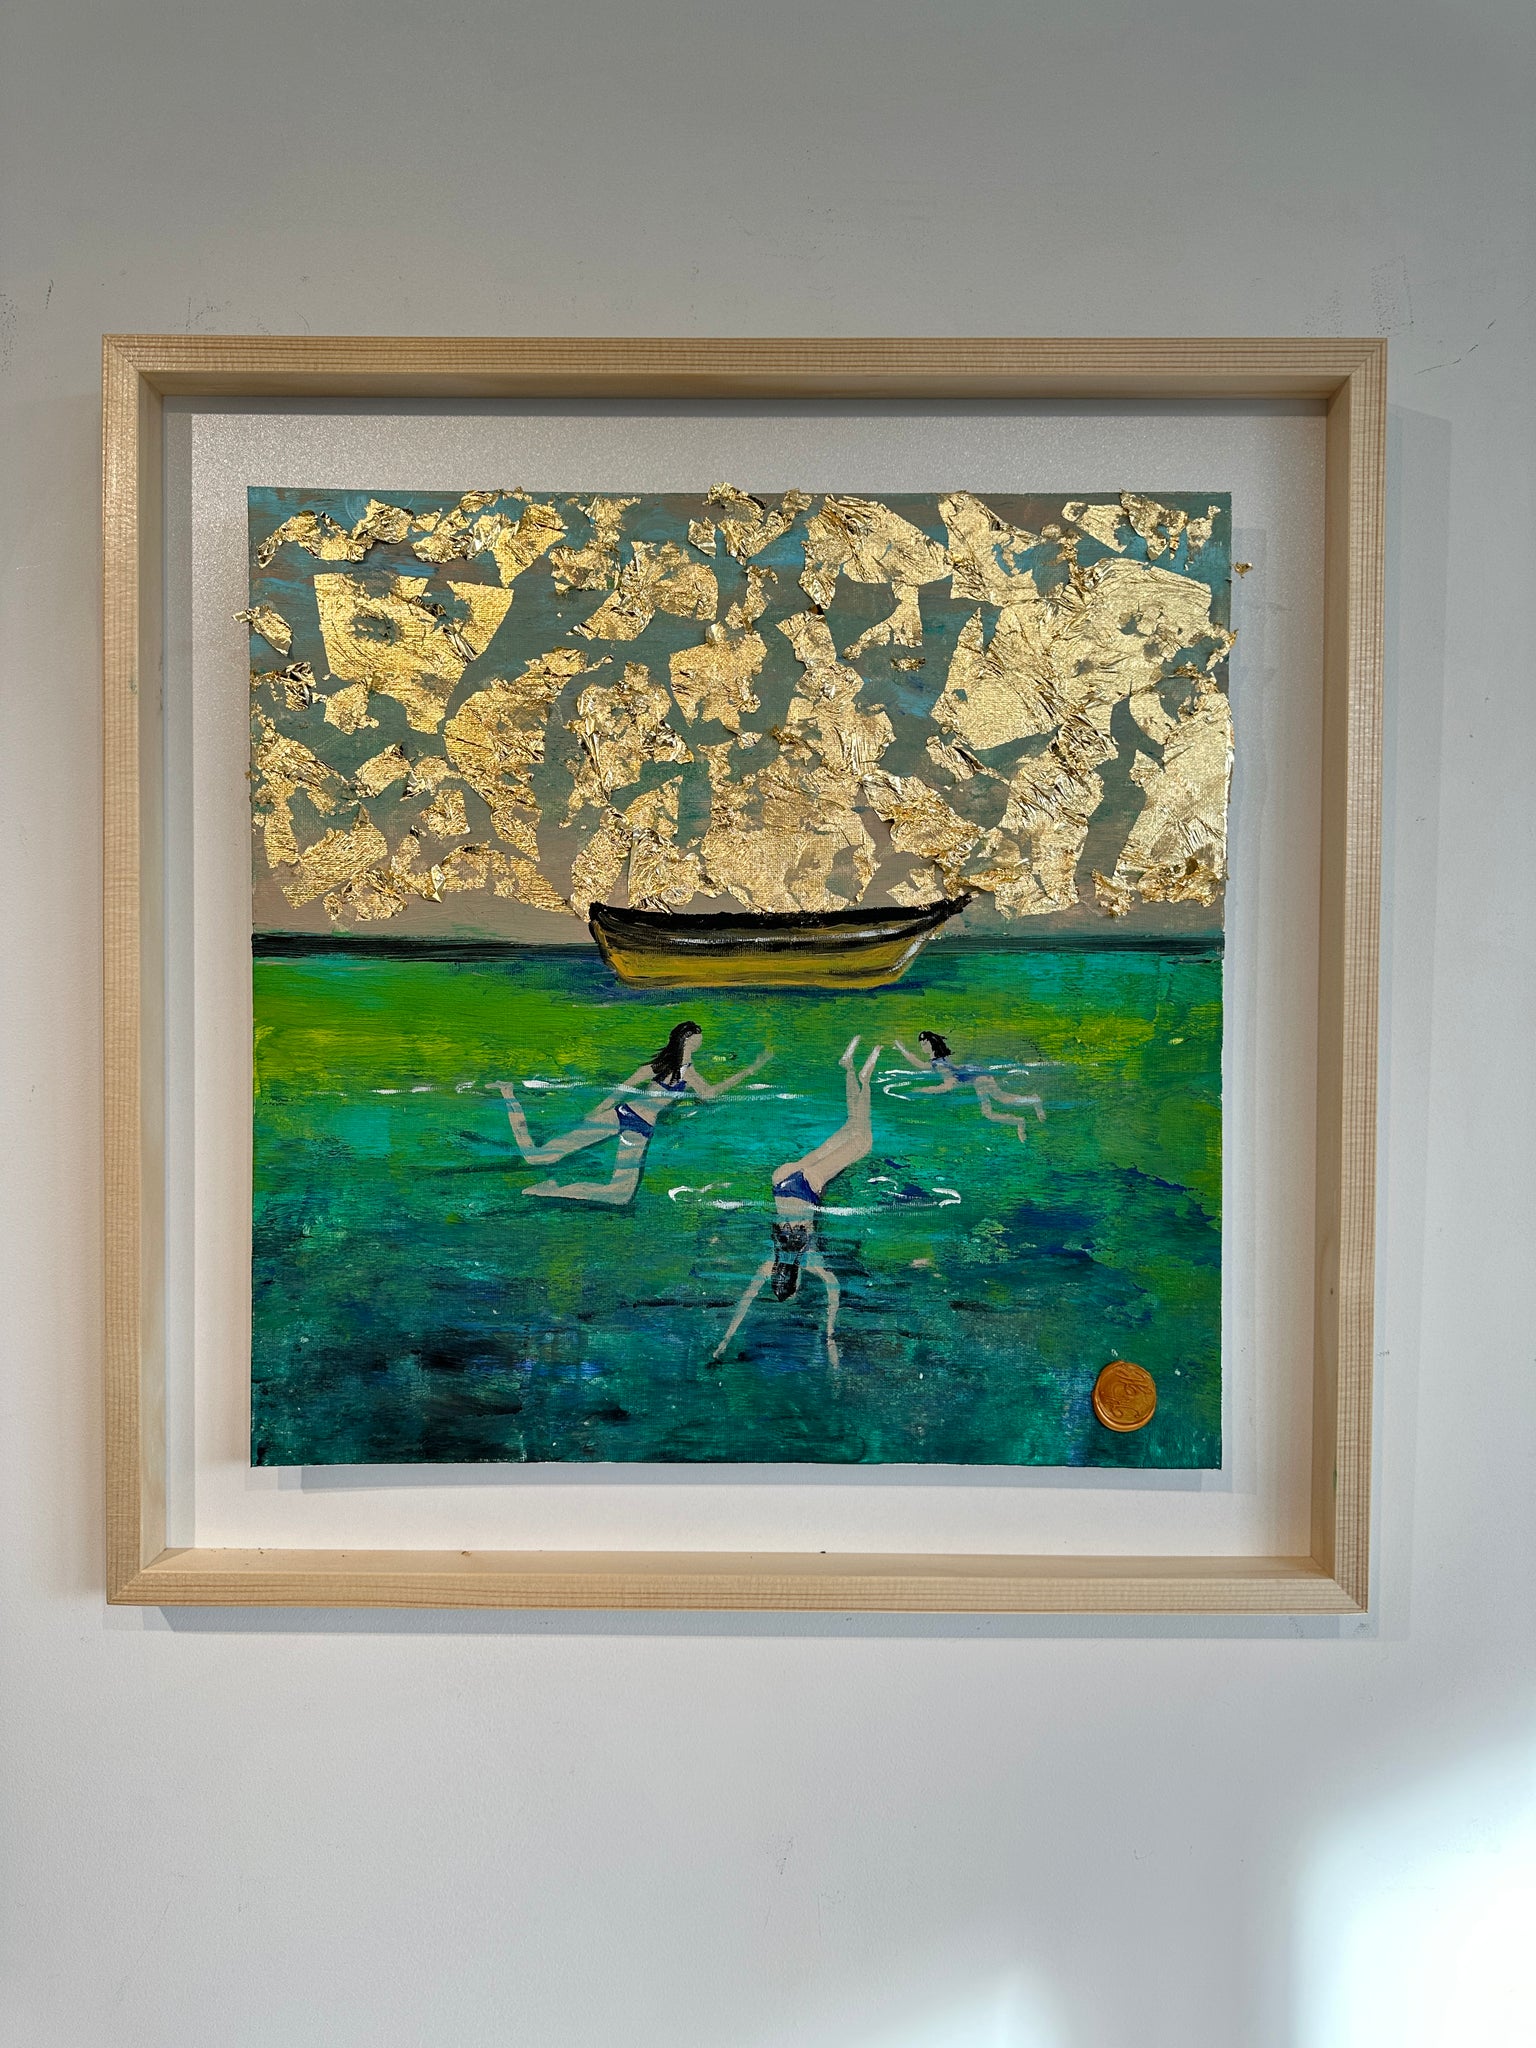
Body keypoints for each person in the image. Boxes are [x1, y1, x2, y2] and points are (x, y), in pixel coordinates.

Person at [711, 1035, 882, 1367]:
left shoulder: (810, 1262)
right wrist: (724, 1342)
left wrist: (830, 1336)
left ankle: (862, 1076)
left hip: (805, 1187)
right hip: (781, 1181)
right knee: (852, 1128)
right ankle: (850, 1068)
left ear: (796, 1280)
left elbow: (833, 1289)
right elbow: (744, 1303)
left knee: (864, 1141)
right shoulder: (770, 1264)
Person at [491, 1021, 770, 1207]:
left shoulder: (690, 1072)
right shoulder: (660, 1066)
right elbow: (625, 1087)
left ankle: (553, 1189)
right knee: (537, 1156)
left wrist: (749, 1071)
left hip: (641, 1129)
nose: (698, 1045)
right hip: (623, 1114)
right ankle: (508, 1094)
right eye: (696, 1040)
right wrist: (597, 1111)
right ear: (685, 1040)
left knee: (621, 1195)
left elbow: (709, 1095)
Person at [892, 1029, 1046, 1142]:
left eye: (925, 1043)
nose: (922, 1047)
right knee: (996, 1105)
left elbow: (949, 1085)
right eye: (921, 1044)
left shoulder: (939, 1063)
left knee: (998, 1104)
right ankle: (1025, 1113)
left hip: (979, 1078)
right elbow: (920, 1064)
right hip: (977, 1075)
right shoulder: (938, 1060)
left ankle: (1026, 1112)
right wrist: (902, 1049)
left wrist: (925, 1090)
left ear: (932, 1043)